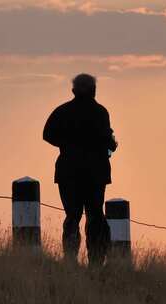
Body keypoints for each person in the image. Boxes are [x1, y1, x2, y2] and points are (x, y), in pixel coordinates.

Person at [43, 73, 118, 266]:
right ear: (94, 90)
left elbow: (47, 134)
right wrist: (110, 144)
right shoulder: (100, 112)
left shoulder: (62, 111)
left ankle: (70, 259)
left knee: (72, 216)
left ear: (73, 91)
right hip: (95, 173)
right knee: (95, 215)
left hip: (68, 172)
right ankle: (96, 261)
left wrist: (67, 146)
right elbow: (108, 140)